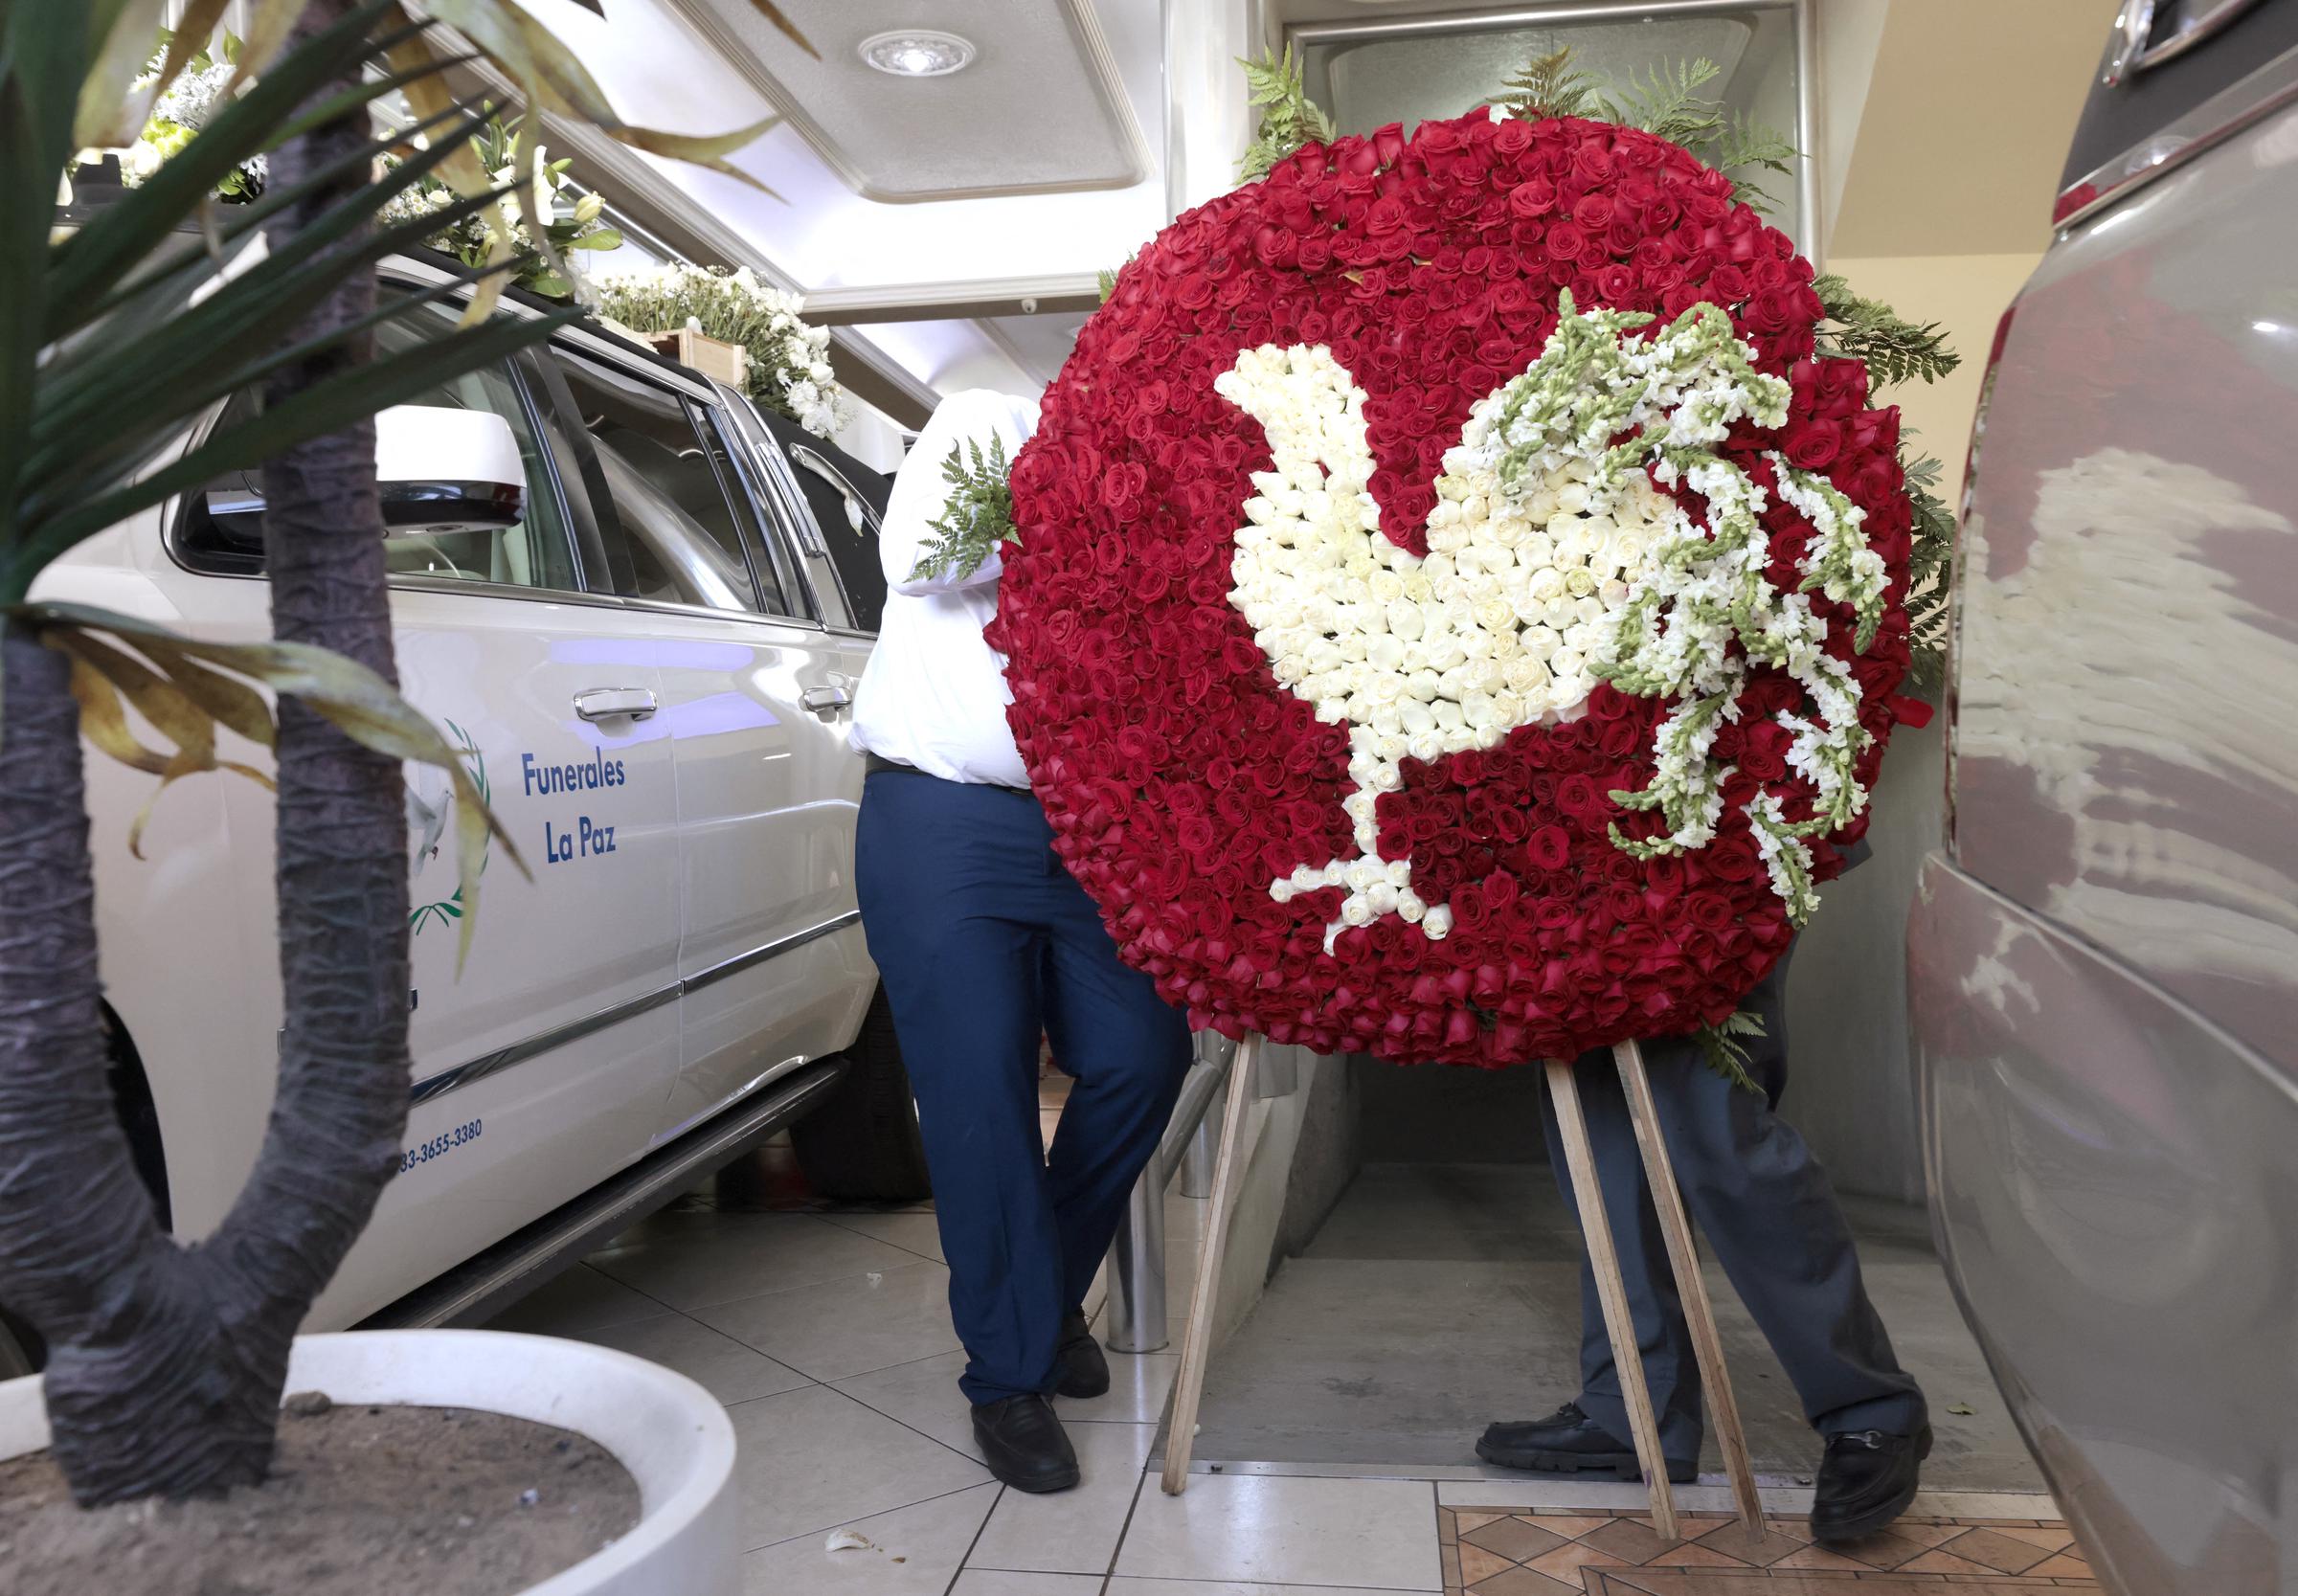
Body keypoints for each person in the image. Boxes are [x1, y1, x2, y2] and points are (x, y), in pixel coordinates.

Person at [849, 389, 1193, 1495]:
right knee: (980, 1088)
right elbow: (917, 557)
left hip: (1091, 821)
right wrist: (1086, 511)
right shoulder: (984, 418)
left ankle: (1035, 1302)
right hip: (943, 815)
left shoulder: (1165, 471)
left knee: (1147, 1054)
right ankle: (1007, 1371)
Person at [1476, 938, 1932, 1545]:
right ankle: (1634, 1403)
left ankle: (1870, 1409)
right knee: (1597, 1105)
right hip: (1580, 865)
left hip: (1722, 852)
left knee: (1715, 1113)